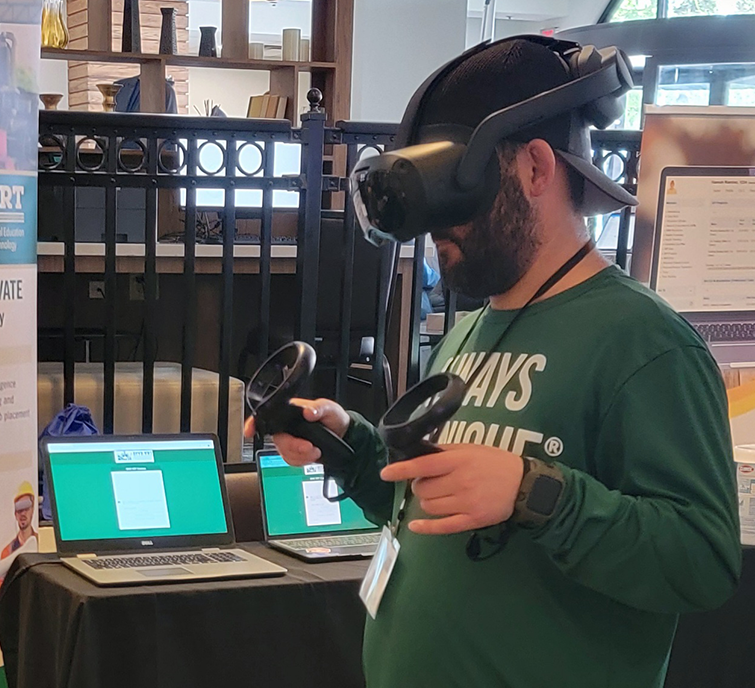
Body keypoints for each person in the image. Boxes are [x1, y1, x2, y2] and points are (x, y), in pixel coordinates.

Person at [247, 38, 741, 688]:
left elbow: (701, 560)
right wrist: (348, 446)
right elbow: (424, 505)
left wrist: (535, 490)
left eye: (459, 192)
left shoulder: (644, 344)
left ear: (537, 169)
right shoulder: (473, 332)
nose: (437, 227)